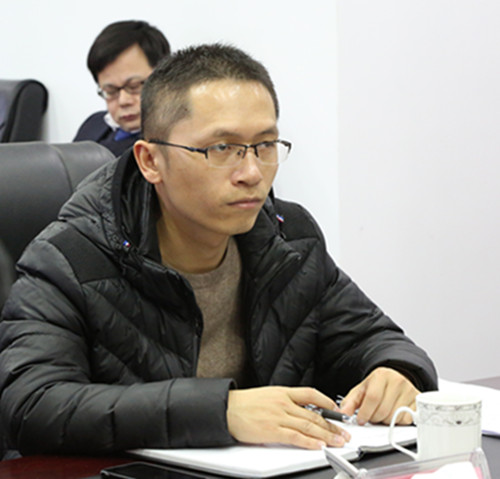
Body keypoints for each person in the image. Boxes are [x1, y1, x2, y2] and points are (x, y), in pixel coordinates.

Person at [0, 43, 437, 456]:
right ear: (150, 161)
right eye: (222, 148)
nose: (252, 173)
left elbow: (373, 338)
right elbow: (31, 404)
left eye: (265, 145)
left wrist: (396, 371)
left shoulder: (289, 237)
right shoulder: (69, 258)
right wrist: (220, 411)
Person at [73, 20, 170, 157]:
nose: (123, 101)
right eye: (111, 91)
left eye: (134, 86)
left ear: (164, 78)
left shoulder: (177, 141)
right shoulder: (93, 125)